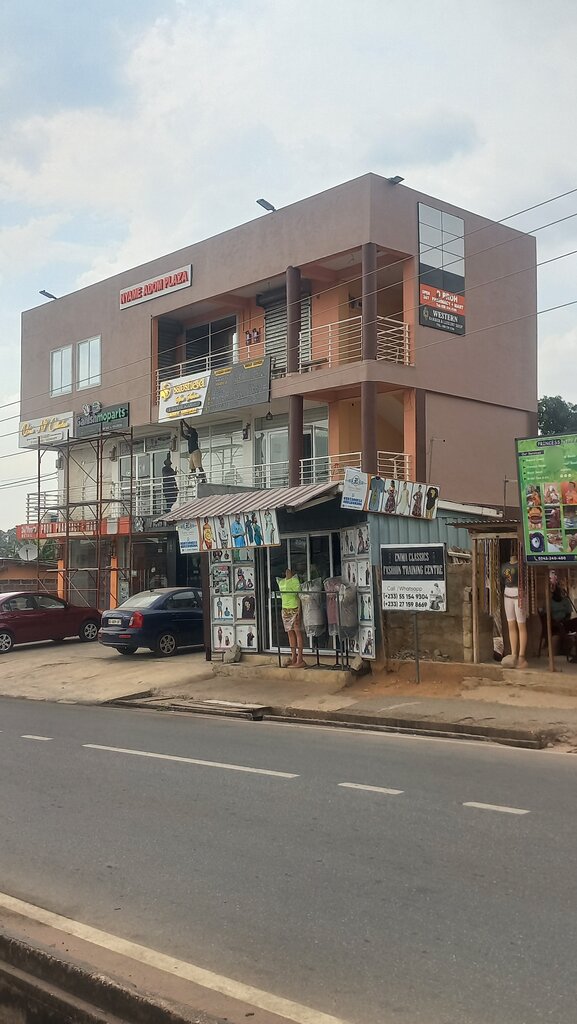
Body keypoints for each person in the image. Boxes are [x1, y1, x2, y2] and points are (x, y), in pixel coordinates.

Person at [500, 550, 527, 668]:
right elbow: (502, 580)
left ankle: (521, 656)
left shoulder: (521, 565)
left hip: (519, 593)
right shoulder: (504, 566)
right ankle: (513, 653)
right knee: (511, 624)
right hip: (507, 593)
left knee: (521, 625)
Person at [278, 568, 306, 668]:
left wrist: (299, 609)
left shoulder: (295, 581)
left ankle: (300, 658)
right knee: (290, 633)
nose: (287, 572)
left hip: (294, 608)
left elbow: (298, 595)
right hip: (285, 608)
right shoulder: (281, 582)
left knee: (297, 632)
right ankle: (293, 656)